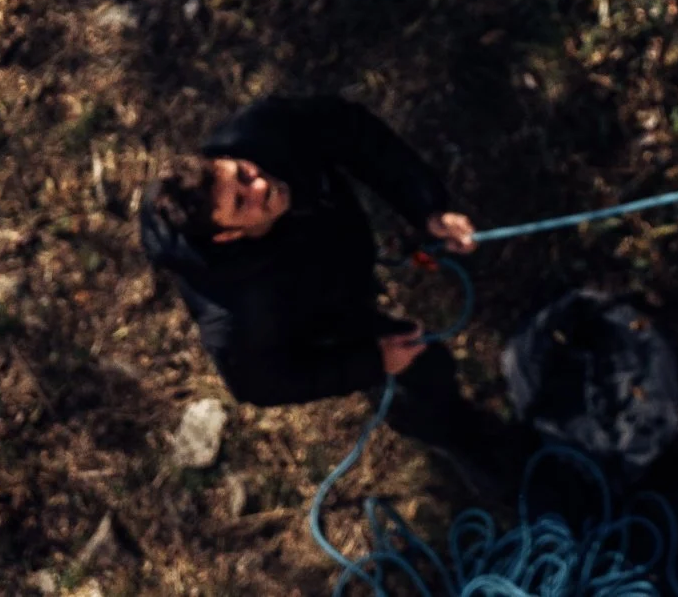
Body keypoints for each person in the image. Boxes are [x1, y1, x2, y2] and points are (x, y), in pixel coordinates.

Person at [136, 95, 499, 460]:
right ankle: (469, 444)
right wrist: (372, 362)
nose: (261, 185)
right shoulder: (236, 318)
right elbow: (260, 383)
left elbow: (354, 133)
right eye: (241, 203)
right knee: (423, 373)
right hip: (318, 317)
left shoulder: (265, 132)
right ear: (226, 236)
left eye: (243, 174)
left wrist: (425, 207)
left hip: (339, 256)